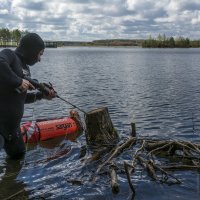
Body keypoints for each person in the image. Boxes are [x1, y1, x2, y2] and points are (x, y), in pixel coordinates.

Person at [0, 33, 56, 159]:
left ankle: (9, 179)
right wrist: (19, 81)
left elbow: (20, 99)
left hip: (13, 131)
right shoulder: (10, 55)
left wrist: (41, 96)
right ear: (32, 50)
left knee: (17, 163)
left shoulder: (25, 69)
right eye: (40, 54)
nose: (40, 59)